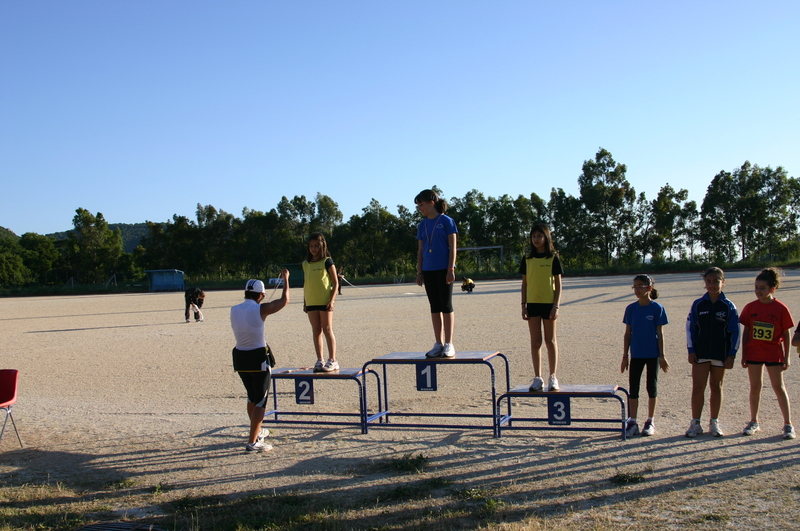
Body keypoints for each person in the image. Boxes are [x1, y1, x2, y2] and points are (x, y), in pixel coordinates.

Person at [230, 272, 289, 453]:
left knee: (251, 397)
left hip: (240, 358)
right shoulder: (260, 309)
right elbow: (284, 301)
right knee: (260, 401)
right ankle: (253, 441)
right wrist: (286, 280)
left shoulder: (234, 309)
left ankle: (257, 431)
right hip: (258, 359)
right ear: (261, 294)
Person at [739, 268, 795, 439]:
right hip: (754, 353)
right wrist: (744, 354)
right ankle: (754, 421)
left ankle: (788, 424)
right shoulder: (750, 308)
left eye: (762, 288)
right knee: (755, 387)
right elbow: (747, 331)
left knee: (778, 387)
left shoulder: (780, 308)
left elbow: (786, 333)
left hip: (773, 354)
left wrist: (787, 356)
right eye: (756, 287)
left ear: (772, 288)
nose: (758, 291)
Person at [685, 267, 740, 437]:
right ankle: (695, 423)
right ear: (705, 283)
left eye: (716, 281)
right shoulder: (698, 304)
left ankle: (714, 422)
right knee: (697, 388)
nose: (712, 285)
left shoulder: (729, 306)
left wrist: (731, 354)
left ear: (723, 282)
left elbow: (735, 332)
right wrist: (691, 350)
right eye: (709, 281)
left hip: (720, 353)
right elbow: (690, 328)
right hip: (700, 353)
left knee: (716, 387)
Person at [621, 275, 670, 436]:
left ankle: (650, 420)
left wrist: (662, 356)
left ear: (649, 288)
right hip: (636, 354)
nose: (636, 290)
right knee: (633, 388)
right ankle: (633, 421)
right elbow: (627, 333)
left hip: (653, 354)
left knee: (651, 387)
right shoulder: (631, 309)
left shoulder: (657, 309)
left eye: (640, 286)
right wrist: (625, 356)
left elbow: (660, 334)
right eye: (634, 286)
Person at [519, 223, 563, 392]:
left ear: (546, 238)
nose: (536, 239)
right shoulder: (527, 259)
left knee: (550, 341)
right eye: (534, 236)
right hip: (532, 305)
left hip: (549, 304)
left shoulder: (553, 258)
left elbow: (559, 285)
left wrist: (556, 306)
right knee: (535, 342)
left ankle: (553, 376)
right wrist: (523, 305)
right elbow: (524, 284)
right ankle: (538, 378)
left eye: (539, 236)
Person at [415, 189, 458, 358]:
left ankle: (449, 343)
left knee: (445, 305)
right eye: (418, 206)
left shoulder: (447, 221)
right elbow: (420, 250)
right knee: (434, 307)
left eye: (422, 204)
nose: (420, 208)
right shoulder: (422, 225)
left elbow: (453, 247)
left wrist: (450, 269)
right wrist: (419, 272)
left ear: (431, 202)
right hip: (428, 269)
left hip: (444, 268)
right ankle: (438, 343)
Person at [303, 233, 339, 372]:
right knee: (316, 330)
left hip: (325, 301)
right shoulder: (305, 264)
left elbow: (335, 282)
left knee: (327, 329)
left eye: (316, 246)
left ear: (322, 245)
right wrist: (305, 302)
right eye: (311, 246)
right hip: (311, 302)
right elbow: (306, 283)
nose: (313, 248)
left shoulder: (327, 261)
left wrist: (332, 300)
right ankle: (320, 359)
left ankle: (333, 360)